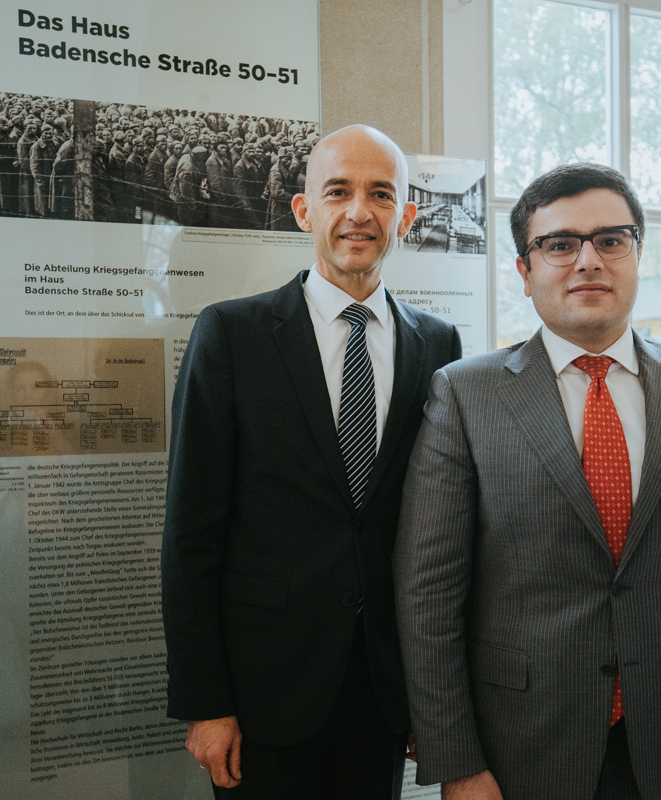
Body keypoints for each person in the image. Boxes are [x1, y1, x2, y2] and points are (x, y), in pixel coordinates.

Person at [394, 162, 661, 800]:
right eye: (559, 244)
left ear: (637, 255)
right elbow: (427, 599)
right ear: (524, 273)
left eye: (611, 239)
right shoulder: (466, 395)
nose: (588, 261)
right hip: (519, 746)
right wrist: (458, 763)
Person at [162, 124, 462, 799]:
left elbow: (441, 533)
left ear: (405, 218)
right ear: (304, 211)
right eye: (339, 192)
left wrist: (435, 697)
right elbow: (191, 533)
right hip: (262, 696)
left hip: (382, 694)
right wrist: (205, 701)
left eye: (381, 195)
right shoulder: (230, 336)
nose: (360, 212)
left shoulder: (438, 345)